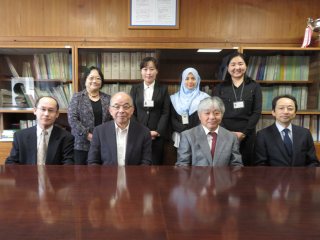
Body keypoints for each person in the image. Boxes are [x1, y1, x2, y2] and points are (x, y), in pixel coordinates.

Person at [213, 52, 262, 166]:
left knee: (246, 166)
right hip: (224, 133)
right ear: (228, 67)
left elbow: (256, 112)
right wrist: (227, 133)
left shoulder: (255, 86)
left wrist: (244, 133)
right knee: (224, 166)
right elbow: (216, 112)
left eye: (240, 64)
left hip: (247, 134)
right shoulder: (220, 88)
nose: (237, 67)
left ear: (246, 66)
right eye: (233, 64)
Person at [87, 92, 152, 165]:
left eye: (126, 107)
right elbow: (93, 161)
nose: (121, 111)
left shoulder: (144, 132)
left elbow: (146, 161)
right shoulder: (99, 131)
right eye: (117, 107)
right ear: (110, 110)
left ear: (132, 110)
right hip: (107, 175)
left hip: (134, 176)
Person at [176, 96, 243, 167]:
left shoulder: (232, 137)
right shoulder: (187, 136)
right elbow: (182, 166)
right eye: (207, 113)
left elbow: (236, 165)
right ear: (199, 115)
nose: (212, 117)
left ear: (222, 115)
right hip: (196, 177)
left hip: (223, 177)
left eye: (216, 113)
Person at [6, 96, 74, 165]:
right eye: (43, 109)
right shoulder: (20, 136)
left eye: (51, 110)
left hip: (54, 175)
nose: (46, 114)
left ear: (57, 114)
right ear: (35, 111)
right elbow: (11, 162)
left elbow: (68, 165)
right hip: (27, 175)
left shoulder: (66, 137)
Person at [254, 94, 319, 166]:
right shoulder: (262, 135)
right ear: (273, 112)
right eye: (281, 108)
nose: (286, 112)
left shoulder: (305, 133)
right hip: (274, 177)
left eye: (290, 108)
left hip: (300, 176)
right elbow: (260, 164)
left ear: (295, 113)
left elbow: (313, 162)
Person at [130, 57, 170, 165]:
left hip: (156, 136)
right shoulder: (135, 89)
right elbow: (131, 111)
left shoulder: (163, 89)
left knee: (155, 167)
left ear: (157, 71)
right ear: (141, 71)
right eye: (145, 69)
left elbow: (165, 112)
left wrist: (157, 131)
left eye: (152, 69)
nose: (148, 73)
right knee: (138, 165)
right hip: (138, 135)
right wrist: (141, 131)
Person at [68, 66, 112, 164]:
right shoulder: (77, 97)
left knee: (102, 175)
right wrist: (88, 135)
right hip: (82, 145)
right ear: (85, 80)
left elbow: (112, 120)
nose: (94, 81)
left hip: (103, 144)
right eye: (91, 78)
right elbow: (72, 119)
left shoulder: (108, 99)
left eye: (98, 78)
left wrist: (102, 137)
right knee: (82, 176)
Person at [170, 67, 210, 147]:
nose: (190, 81)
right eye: (187, 78)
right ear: (182, 80)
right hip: (180, 136)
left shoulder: (205, 98)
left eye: (193, 78)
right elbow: (171, 118)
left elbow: (207, 117)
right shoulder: (173, 98)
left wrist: (193, 132)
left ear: (198, 80)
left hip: (199, 136)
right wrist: (184, 130)